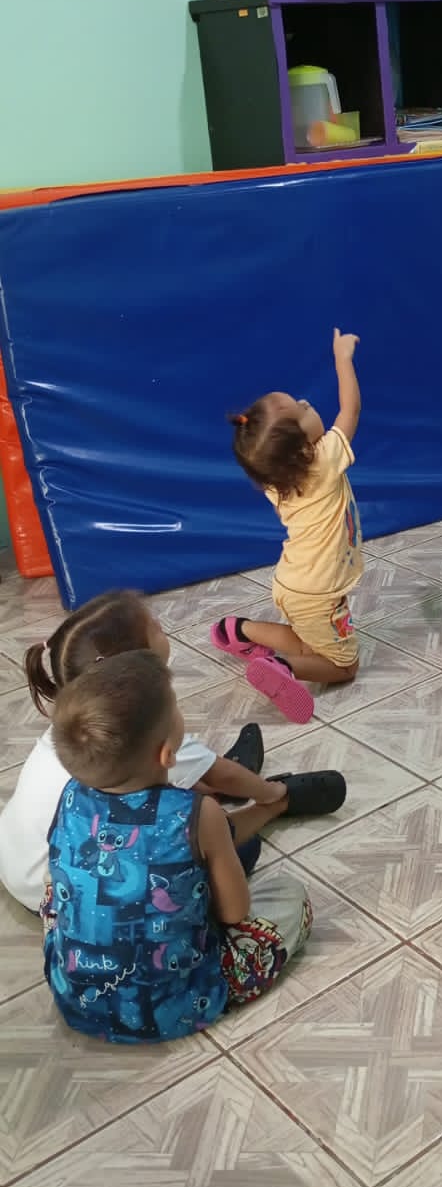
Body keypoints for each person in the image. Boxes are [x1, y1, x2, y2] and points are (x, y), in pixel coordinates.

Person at [0, 591, 346, 913]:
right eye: (156, 627)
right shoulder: (147, 731)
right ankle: (276, 805)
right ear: (137, 663)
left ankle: (212, 785)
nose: (163, 627)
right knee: (225, 839)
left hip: (26, 872)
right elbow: (221, 774)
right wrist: (271, 792)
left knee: (157, 800)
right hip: (68, 896)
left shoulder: (75, 731)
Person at [42, 650, 312, 1042]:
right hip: (181, 1008)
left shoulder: (69, 796)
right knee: (290, 895)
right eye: (176, 709)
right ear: (168, 754)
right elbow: (235, 913)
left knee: (61, 893)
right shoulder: (198, 813)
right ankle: (274, 809)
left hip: (77, 1001)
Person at [217, 328, 363, 720]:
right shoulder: (322, 463)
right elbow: (350, 411)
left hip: (292, 583)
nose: (306, 402)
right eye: (301, 408)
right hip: (319, 591)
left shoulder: (275, 482)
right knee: (343, 665)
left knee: (305, 641)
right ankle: (281, 668)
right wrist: (342, 359)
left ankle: (237, 631)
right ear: (300, 448)